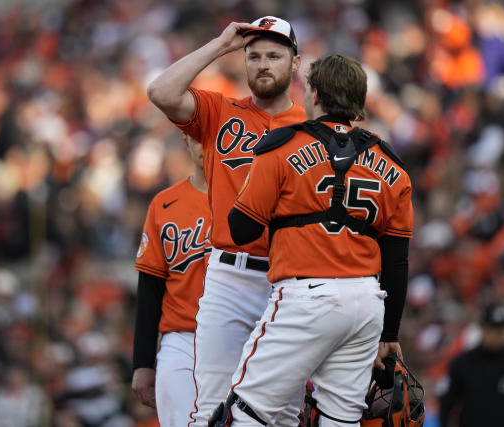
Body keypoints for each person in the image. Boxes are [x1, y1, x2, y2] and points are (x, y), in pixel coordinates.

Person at [220, 53, 414, 426]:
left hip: (305, 297)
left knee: (244, 413)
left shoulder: (282, 147)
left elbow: (240, 229)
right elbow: (397, 261)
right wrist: (390, 332)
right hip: (366, 306)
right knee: (339, 420)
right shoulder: (394, 165)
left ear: (315, 93)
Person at [147, 16, 307, 425]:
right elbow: (161, 91)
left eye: (274, 55)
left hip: (288, 280)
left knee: (282, 413)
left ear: (295, 63)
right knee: (209, 408)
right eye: (253, 56)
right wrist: (220, 46)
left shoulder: (310, 127)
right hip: (229, 277)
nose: (263, 64)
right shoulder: (220, 111)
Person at [131, 134, 210, 427]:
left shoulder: (252, 199)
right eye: (199, 139)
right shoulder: (165, 203)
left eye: (214, 138)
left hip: (242, 336)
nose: (206, 147)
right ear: (186, 142)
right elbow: (150, 287)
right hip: (182, 340)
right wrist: (142, 362)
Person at [438, 303, 504, 427]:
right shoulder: (462, 364)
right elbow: (447, 404)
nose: (495, 335)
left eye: (500, 330)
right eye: (491, 329)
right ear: (482, 329)